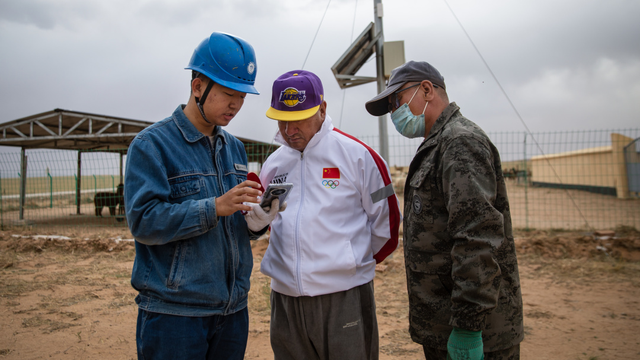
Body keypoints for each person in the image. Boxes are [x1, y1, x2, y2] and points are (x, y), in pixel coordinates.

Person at [124, 32, 281, 360]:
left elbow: (231, 224)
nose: (236, 105)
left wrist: (255, 224)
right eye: (228, 93)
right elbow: (144, 221)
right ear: (198, 87)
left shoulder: (234, 148)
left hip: (232, 311)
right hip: (175, 316)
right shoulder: (152, 145)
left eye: (242, 95)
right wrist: (214, 207)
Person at [365, 61, 524, 360]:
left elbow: (477, 237)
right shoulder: (437, 144)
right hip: (443, 324)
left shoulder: (459, 142)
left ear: (426, 90)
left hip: (475, 332)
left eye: (396, 102)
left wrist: (468, 326)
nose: (394, 114)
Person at [258, 70, 401, 360]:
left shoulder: (359, 156)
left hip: (344, 295)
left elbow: (386, 224)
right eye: (282, 120)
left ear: (322, 110)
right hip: (285, 299)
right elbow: (271, 222)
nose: (289, 130)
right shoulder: (273, 164)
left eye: (298, 119)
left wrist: (350, 263)